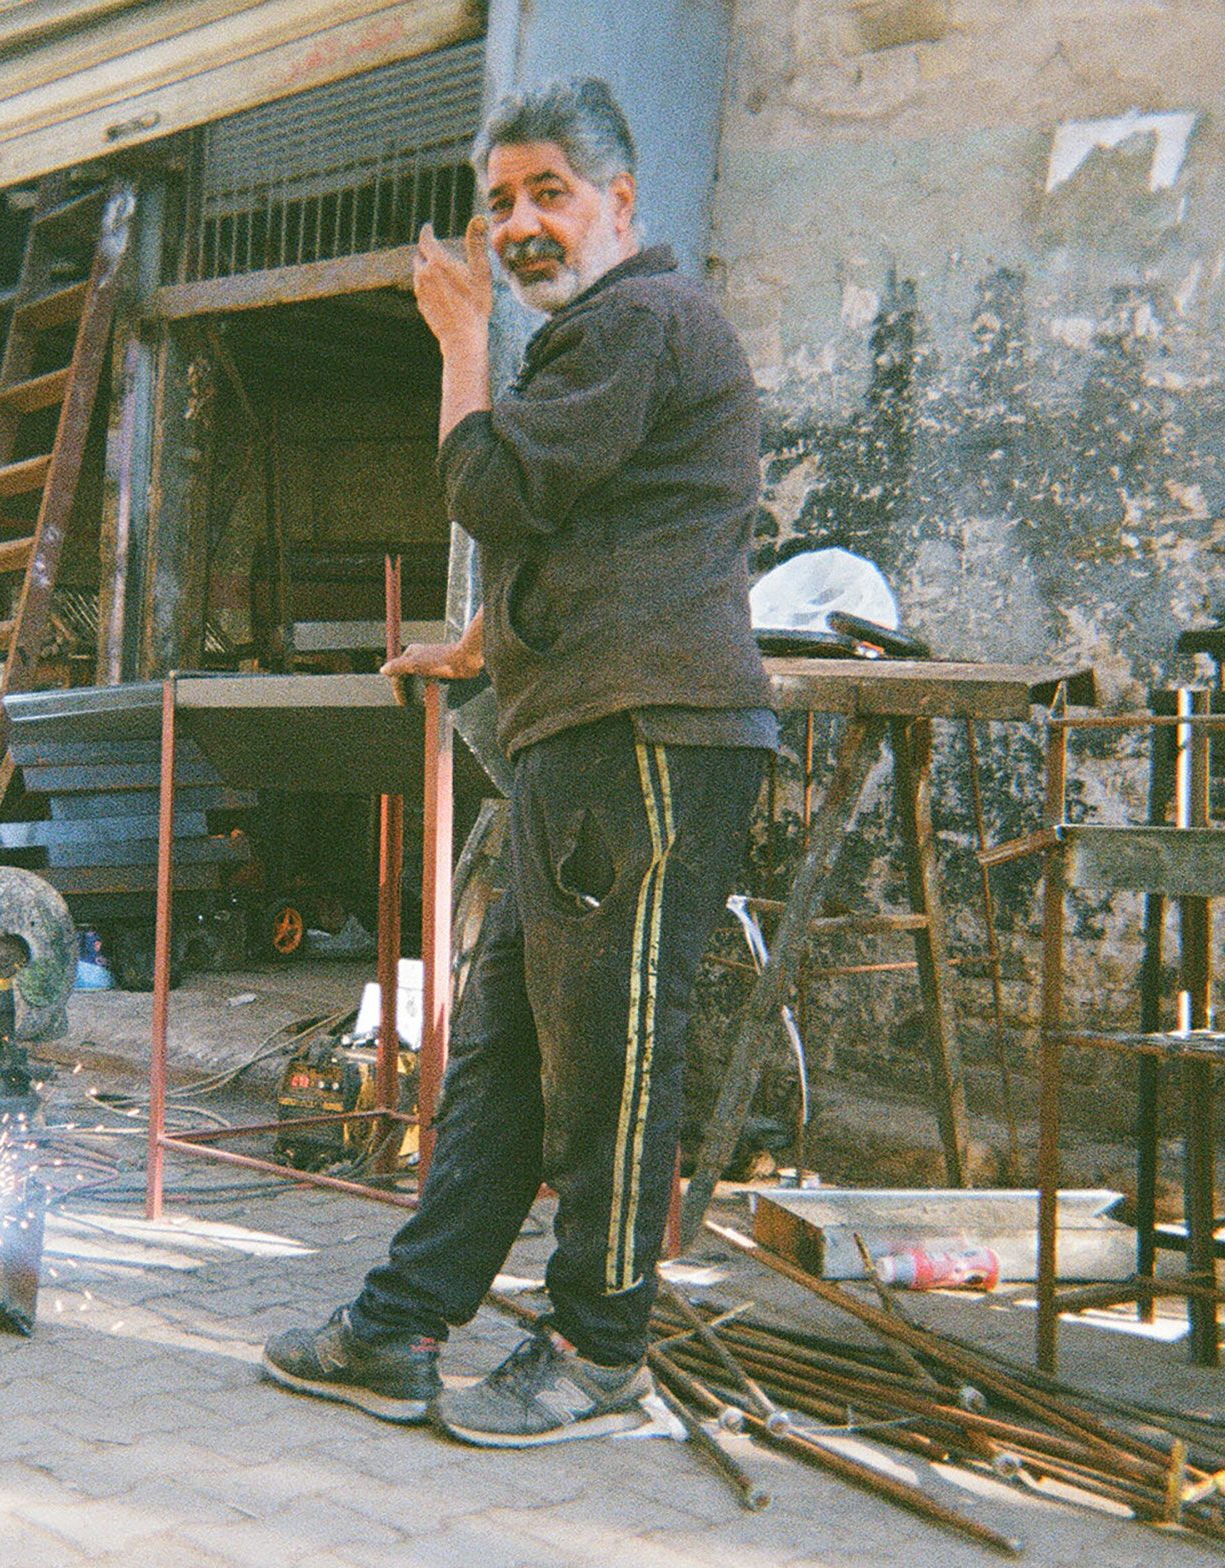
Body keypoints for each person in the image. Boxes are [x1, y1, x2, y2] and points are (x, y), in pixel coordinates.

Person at [263, 77, 777, 1446]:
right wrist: (484, 640)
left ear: (621, 200)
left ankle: (602, 1348)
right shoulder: (607, 341)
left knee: (610, 1056)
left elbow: (496, 488)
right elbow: (581, 527)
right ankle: (400, 1324)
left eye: (551, 192)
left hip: (647, 741)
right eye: (500, 203)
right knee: (498, 1059)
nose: (522, 224)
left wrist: (458, 344)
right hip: (583, 739)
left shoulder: (639, 322)